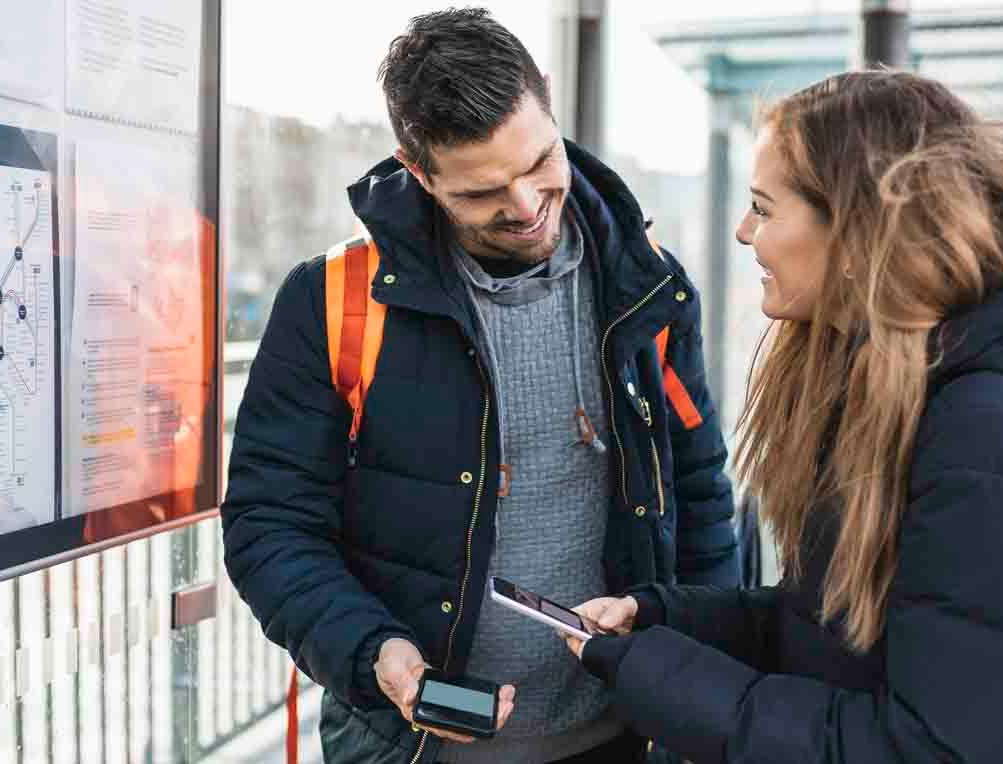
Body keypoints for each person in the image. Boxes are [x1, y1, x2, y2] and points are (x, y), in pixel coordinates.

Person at [221, 8, 739, 764]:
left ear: (550, 101)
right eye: (480, 193)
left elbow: (697, 495)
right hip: (408, 747)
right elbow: (269, 523)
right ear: (417, 169)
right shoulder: (332, 302)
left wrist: (705, 690)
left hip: (623, 736)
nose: (525, 208)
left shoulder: (648, 285)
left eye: (537, 164)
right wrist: (374, 655)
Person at [561, 70, 1003, 762]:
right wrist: (662, 621)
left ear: (858, 235)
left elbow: (929, 749)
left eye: (764, 209)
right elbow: (840, 635)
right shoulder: (893, 393)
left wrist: (655, 676)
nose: (743, 233)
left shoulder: (992, 440)